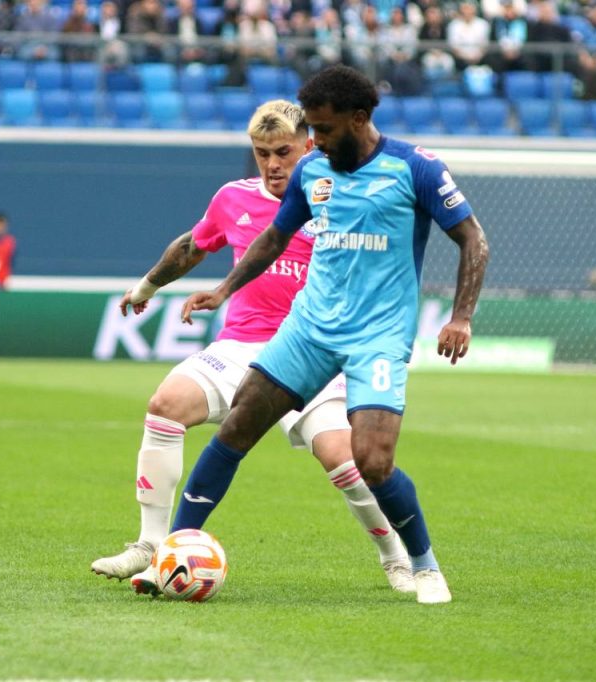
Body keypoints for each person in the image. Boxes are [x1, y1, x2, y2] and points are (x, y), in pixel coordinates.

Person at [163, 65, 490, 605]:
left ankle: (424, 565)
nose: (314, 140)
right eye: (310, 129)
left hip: (378, 335)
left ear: (359, 119)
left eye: (324, 128)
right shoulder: (313, 169)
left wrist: (461, 317)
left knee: (372, 460)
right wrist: (223, 290)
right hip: (310, 327)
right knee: (240, 423)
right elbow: (274, 238)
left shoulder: (416, 168)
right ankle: (171, 551)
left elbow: (473, 240)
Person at [91, 100, 416, 594]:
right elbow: (193, 245)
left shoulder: (342, 197)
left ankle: (395, 555)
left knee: (340, 455)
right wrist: (146, 287)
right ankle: (151, 546)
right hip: (242, 346)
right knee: (166, 404)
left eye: (283, 152)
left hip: (314, 347)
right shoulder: (233, 198)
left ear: (309, 145)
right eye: (262, 153)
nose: (272, 164)